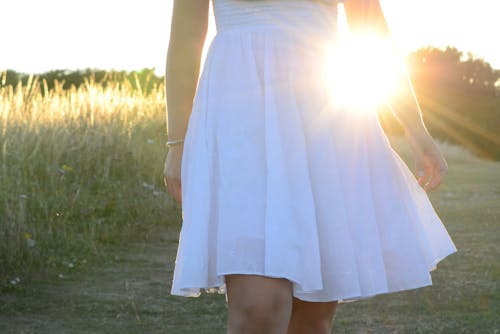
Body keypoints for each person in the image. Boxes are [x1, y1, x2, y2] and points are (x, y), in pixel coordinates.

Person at [163, 0, 457, 333]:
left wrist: (415, 129)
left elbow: (371, 29)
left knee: (312, 318)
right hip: (239, 115)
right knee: (257, 309)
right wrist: (177, 142)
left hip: (326, 115)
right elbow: (186, 35)